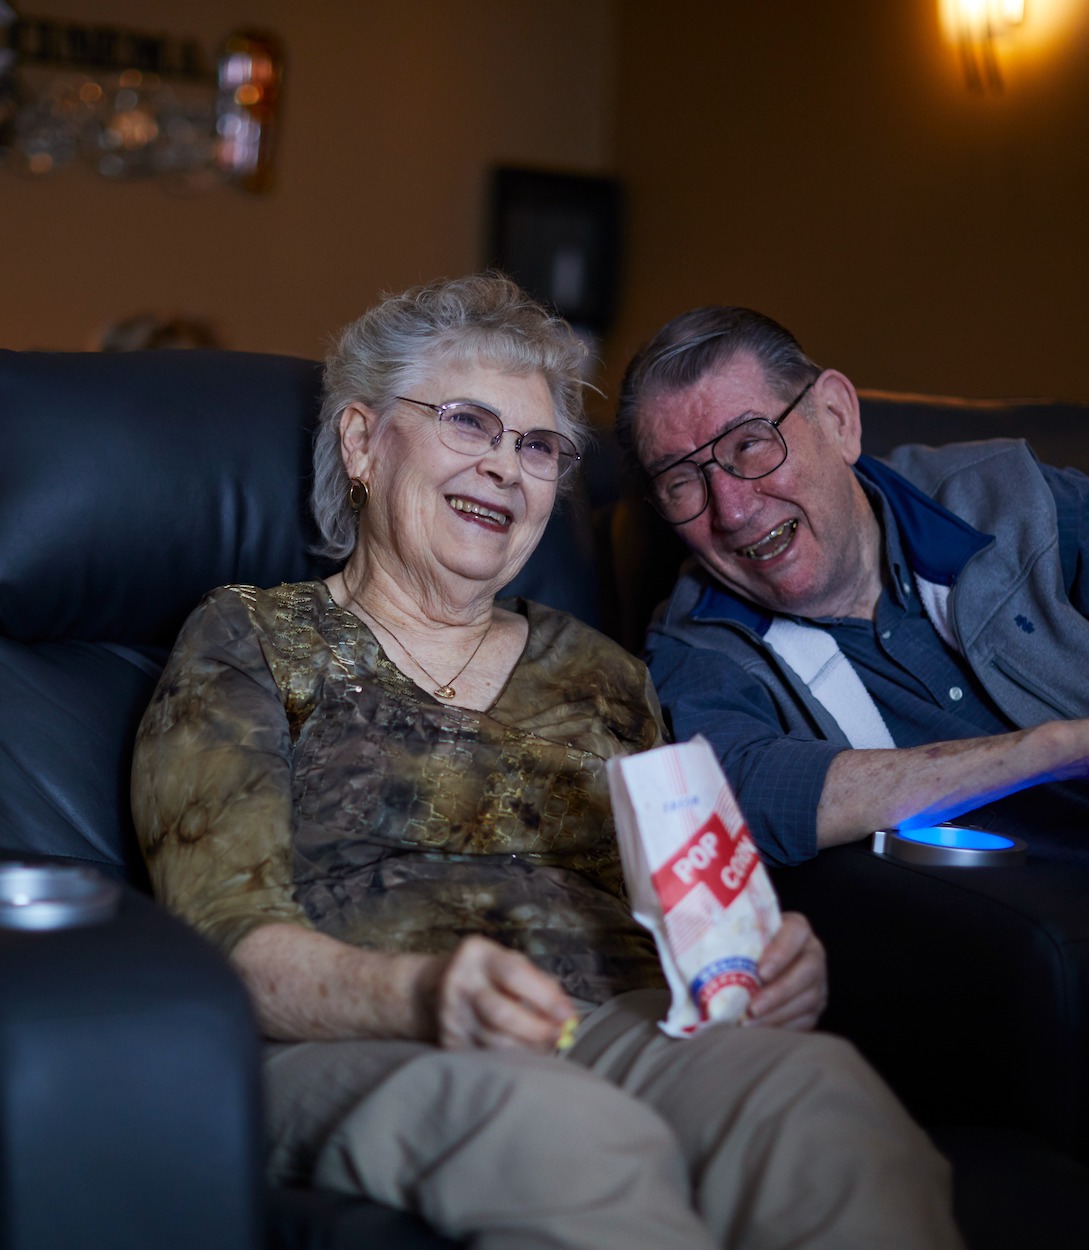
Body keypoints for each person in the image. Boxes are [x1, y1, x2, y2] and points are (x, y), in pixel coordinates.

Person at [131, 276, 963, 1250]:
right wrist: (426, 991)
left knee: (822, 1095)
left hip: (607, 1018)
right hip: (360, 1035)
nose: (505, 468)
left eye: (536, 446)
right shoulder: (250, 638)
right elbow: (226, 936)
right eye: (468, 423)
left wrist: (763, 961)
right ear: (361, 442)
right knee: (564, 1134)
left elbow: (695, 907)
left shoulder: (601, 672)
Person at [615, 305, 1089, 1245]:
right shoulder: (699, 645)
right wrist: (1068, 745)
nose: (730, 511)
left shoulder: (1012, 499)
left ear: (835, 417)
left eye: (749, 446)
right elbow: (747, 793)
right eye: (679, 484)